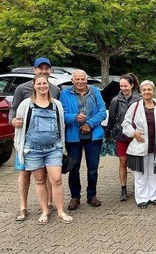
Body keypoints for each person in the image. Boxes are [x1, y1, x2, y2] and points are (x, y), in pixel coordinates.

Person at [13, 74, 73, 224]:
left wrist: (61, 146)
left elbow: (61, 126)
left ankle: (60, 211)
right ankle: (45, 211)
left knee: (57, 179)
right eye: (39, 84)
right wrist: (14, 124)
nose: (42, 86)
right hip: (32, 150)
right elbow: (18, 125)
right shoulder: (26, 104)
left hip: (53, 149)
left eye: (44, 84)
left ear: (49, 85)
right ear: (34, 86)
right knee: (39, 181)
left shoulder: (56, 104)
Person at [9, 57, 60, 222]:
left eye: (47, 68)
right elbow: (13, 110)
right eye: (41, 68)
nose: (44, 71)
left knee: (48, 174)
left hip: (48, 142)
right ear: (35, 70)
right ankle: (23, 207)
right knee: (24, 174)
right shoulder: (22, 89)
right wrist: (13, 121)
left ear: (50, 70)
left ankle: (49, 205)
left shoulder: (55, 89)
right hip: (27, 142)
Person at [60, 69, 107, 210]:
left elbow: (102, 112)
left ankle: (92, 195)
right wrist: (75, 117)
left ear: (86, 80)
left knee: (93, 168)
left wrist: (89, 124)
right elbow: (62, 114)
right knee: (73, 168)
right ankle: (75, 197)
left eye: (83, 79)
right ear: (72, 80)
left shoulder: (95, 92)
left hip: (93, 136)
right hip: (73, 137)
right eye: (77, 79)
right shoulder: (64, 94)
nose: (80, 82)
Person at [123, 80, 156, 209]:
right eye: (144, 90)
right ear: (141, 91)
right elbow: (125, 123)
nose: (147, 92)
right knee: (140, 173)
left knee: (155, 173)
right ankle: (142, 198)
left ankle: (155, 196)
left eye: (149, 89)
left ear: (153, 91)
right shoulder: (135, 106)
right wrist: (134, 133)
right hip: (140, 145)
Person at [105, 74, 141, 201]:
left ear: (131, 85)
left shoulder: (139, 99)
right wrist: (108, 133)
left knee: (137, 163)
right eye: (121, 86)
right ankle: (123, 188)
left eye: (126, 85)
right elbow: (112, 118)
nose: (123, 88)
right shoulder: (116, 100)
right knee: (123, 162)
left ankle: (138, 186)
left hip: (136, 136)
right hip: (121, 135)